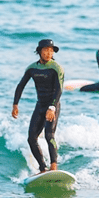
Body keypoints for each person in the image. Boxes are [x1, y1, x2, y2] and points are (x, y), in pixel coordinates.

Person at [12, 38, 64, 173]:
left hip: (53, 105)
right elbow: (20, 85)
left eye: (51, 51)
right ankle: (42, 168)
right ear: (39, 51)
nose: (49, 53)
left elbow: (59, 90)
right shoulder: (32, 68)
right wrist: (15, 104)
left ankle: (54, 165)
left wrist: (52, 107)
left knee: (49, 135)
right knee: (31, 138)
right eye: (46, 50)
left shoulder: (56, 68)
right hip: (40, 105)